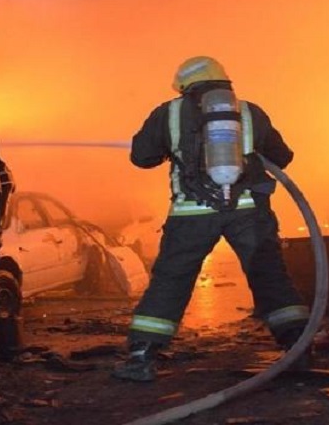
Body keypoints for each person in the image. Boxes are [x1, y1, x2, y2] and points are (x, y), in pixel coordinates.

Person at [112, 56, 311, 382]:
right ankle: (298, 347)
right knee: (270, 276)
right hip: (248, 212)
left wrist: (174, 148)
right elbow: (282, 157)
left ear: (185, 85)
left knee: (171, 280)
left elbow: (141, 157)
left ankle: (141, 357)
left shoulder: (169, 113)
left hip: (192, 214)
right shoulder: (249, 112)